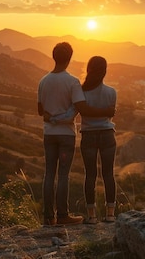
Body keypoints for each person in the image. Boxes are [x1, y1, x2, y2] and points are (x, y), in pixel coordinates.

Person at [37, 42, 114, 226]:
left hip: (49, 133)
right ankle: (63, 215)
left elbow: (40, 110)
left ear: (53, 56)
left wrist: (52, 117)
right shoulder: (72, 82)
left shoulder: (43, 81)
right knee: (63, 175)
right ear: (70, 58)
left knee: (49, 174)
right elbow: (82, 108)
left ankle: (48, 217)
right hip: (66, 135)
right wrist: (108, 112)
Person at [76, 56, 117, 224]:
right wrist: (104, 112)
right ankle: (110, 214)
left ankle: (91, 215)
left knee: (90, 175)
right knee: (108, 174)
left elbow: (82, 112)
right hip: (107, 133)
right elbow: (110, 113)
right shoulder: (111, 92)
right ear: (105, 71)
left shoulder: (81, 92)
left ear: (88, 69)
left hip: (88, 134)